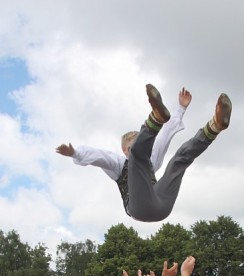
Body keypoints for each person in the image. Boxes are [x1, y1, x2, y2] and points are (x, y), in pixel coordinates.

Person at [57, 84, 231, 222]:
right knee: (138, 157)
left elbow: (166, 135)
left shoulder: (150, 158)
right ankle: (155, 119)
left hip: (162, 205)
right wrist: (75, 152)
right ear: (124, 150)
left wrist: (181, 108)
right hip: (138, 209)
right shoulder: (118, 164)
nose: (137, 149)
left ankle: (215, 127)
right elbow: (99, 156)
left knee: (179, 160)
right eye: (131, 148)